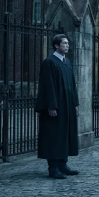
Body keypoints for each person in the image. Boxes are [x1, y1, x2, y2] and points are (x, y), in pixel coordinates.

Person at [35, 34, 79, 179]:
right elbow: (47, 87)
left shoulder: (67, 62)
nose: (67, 45)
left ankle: (63, 164)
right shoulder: (49, 62)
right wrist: (51, 106)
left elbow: (72, 85)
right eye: (64, 43)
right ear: (56, 45)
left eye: (67, 43)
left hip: (67, 106)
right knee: (54, 135)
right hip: (55, 107)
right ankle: (53, 167)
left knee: (65, 134)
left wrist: (75, 104)